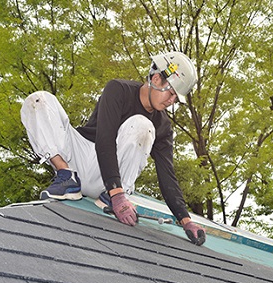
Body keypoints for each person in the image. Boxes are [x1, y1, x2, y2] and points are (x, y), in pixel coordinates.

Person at [21, 51, 206, 246]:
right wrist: (116, 193)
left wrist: (185, 220)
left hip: (109, 181)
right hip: (79, 157)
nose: (171, 102)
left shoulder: (162, 126)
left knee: (143, 127)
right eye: (171, 93)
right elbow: (105, 138)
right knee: (38, 99)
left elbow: (167, 174)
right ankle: (65, 175)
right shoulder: (118, 89)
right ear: (156, 78)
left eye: (176, 99)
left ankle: (111, 196)